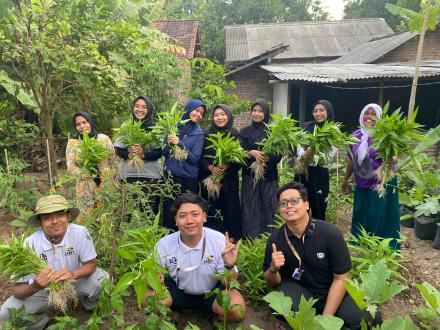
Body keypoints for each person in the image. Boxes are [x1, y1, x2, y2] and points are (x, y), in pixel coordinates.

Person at [263, 182, 380, 329]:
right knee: (279, 303)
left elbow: (341, 278)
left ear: (306, 205)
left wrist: (326, 319)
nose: (289, 206)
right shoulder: (275, 239)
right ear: (280, 209)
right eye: (283, 203)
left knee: (370, 317)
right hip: (300, 293)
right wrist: (273, 269)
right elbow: (272, 281)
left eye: (294, 201)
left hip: (332, 290)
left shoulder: (330, 234)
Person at [0, 195, 107, 330]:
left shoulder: (80, 233)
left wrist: (73, 274)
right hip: (44, 292)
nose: (55, 221)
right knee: (7, 313)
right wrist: (36, 286)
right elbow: (16, 290)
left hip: (74, 284)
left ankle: (88, 308)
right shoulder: (28, 244)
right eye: (47, 217)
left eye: (60, 215)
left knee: (102, 279)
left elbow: (91, 264)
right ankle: (47, 316)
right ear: (40, 222)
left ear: (68, 216)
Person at [155, 192, 246, 325]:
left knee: (238, 311)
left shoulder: (219, 240)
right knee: (148, 300)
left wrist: (229, 265)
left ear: (204, 217)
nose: (190, 221)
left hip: (212, 293)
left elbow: (228, 284)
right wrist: (155, 280)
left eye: (195, 214)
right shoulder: (164, 244)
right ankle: (174, 314)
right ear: (175, 220)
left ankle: (216, 319)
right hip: (177, 292)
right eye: (182, 216)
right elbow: (149, 276)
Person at [342, 103, 400, 250]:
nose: (369, 117)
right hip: (361, 181)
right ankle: (359, 241)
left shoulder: (385, 136)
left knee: (377, 214)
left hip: (380, 182)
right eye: (366, 113)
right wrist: (346, 178)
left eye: (373, 114)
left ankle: (377, 244)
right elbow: (351, 159)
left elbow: (394, 158)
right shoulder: (355, 136)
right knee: (360, 212)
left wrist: (391, 160)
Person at [199, 104, 242, 241]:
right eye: (216, 115)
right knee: (211, 210)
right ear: (212, 118)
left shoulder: (235, 134)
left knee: (231, 210)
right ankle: (213, 239)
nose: (220, 117)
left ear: (228, 116)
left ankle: (233, 240)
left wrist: (228, 166)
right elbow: (200, 157)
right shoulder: (207, 134)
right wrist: (211, 167)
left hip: (229, 181)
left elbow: (241, 158)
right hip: (211, 181)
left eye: (223, 114)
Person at [239, 99, 281, 238]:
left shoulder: (274, 132)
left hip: (269, 177)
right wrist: (250, 153)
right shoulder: (244, 132)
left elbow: (278, 155)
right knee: (250, 207)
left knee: (270, 206)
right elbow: (238, 154)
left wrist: (269, 157)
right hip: (250, 176)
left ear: (266, 113)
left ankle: (271, 237)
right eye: (254, 111)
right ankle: (251, 237)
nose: (257, 114)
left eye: (260, 111)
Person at [162, 99, 206, 230]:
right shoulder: (173, 127)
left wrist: (180, 143)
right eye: (197, 110)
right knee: (169, 211)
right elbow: (164, 152)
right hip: (170, 175)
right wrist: (170, 143)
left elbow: (194, 158)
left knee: (186, 212)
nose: (199, 114)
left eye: (202, 113)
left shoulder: (199, 133)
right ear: (189, 109)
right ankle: (169, 241)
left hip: (187, 179)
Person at [114, 96, 162, 214]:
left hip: (151, 176)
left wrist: (143, 154)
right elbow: (118, 148)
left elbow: (160, 151)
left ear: (149, 109)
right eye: (137, 106)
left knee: (149, 212)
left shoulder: (155, 128)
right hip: (129, 174)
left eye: (144, 107)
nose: (139, 110)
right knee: (130, 212)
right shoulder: (126, 126)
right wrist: (130, 155)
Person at [66, 111, 115, 214]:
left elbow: (113, 161)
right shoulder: (73, 143)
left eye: (84, 122)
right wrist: (82, 172)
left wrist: (109, 177)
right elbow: (70, 166)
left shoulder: (103, 139)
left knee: (105, 216)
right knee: (86, 218)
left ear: (90, 122)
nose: (82, 126)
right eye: (78, 124)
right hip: (84, 186)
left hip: (104, 185)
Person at [296, 100, 336, 221]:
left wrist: (315, 153)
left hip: (320, 173)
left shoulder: (332, 131)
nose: (318, 113)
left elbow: (330, 157)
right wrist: (304, 154)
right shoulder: (306, 127)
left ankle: (318, 235)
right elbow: (299, 145)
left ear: (328, 112)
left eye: (322, 110)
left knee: (319, 208)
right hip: (303, 172)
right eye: (315, 111)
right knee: (301, 206)